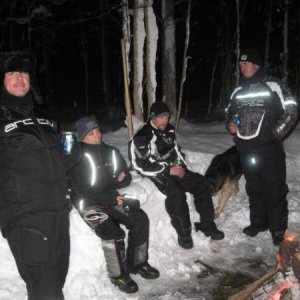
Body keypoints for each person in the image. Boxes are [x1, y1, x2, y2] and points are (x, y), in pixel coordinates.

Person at [0, 52, 71, 300]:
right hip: (25, 217)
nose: (19, 78)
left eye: (23, 73)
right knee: (46, 291)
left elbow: (62, 158)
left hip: (59, 212)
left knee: (56, 281)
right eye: (11, 73)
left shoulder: (47, 117)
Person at [66, 116, 159, 294]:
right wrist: (111, 196)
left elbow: (125, 175)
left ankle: (138, 263)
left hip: (111, 197)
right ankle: (118, 275)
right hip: (88, 203)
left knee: (140, 220)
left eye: (98, 131)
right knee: (112, 231)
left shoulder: (111, 151)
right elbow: (83, 189)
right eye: (91, 133)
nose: (98, 135)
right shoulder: (76, 157)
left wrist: (121, 178)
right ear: (81, 137)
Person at [225, 48, 298, 245]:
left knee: (274, 189)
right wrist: (230, 125)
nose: (243, 66)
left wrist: (275, 135)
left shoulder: (273, 85)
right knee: (254, 188)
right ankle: (258, 223)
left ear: (256, 65)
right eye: (240, 64)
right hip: (246, 149)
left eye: (246, 63)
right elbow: (229, 114)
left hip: (269, 148)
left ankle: (277, 229)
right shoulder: (238, 91)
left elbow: (292, 110)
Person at [129, 102, 224, 250]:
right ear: (152, 118)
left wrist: (182, 167)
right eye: (160, 117)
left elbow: (175, 151)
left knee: (201, 183)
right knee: (176, 194)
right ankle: (184, 233)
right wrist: (168, 170)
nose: (164, 121)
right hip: (156, 172)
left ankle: (207, 224)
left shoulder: (169, 130)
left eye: (166, 117)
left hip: (172, 168)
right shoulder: (143, 136)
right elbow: (140, 165)